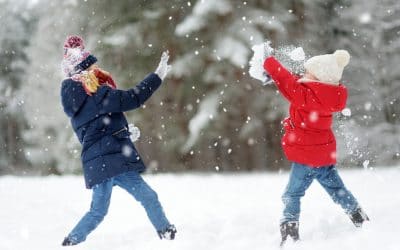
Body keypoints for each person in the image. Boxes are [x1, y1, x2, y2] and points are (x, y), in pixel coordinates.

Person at [60, 35, 176, 246]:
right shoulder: (96, 94)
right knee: (148, 197)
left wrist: (124, 133)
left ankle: (71, 241)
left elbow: (93, 134)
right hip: (114, 162)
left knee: (98, 211)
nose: (96, 68)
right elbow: (133, 98)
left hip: (101, 163)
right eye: (92, 66)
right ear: (85, 72)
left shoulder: (76, 105)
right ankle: (166, 231)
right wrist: (157, 76)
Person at [262, 47, 369, 245]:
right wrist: (275, 75)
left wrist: (268, 61)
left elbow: (287, 81)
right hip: (322, 154)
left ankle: (289, 231)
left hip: (306, 156)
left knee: (292, 194)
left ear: (318, 78)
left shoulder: (306, 96)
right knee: (337, 189)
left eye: (308, 73)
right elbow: (295, 83)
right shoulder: (326, 94)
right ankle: (359, 216)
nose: (304, 75)